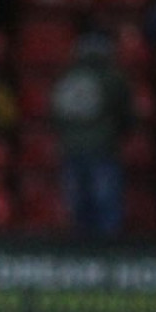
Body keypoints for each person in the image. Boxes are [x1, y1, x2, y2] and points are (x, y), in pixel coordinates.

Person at [50, 28, 135, 239]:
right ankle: (109, 255)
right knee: (105, 204)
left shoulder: (66, 76)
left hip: (71, 148)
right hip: (102, 147)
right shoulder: (113, 77)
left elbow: (55, 116)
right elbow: (125, 113)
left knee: (79, 204)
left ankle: (82, 253)